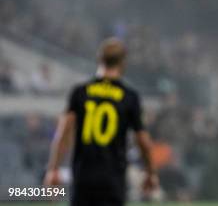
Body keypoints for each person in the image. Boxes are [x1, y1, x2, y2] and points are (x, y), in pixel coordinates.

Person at [44, 38, 158, 206]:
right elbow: (142, 140)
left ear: (99, 59)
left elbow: (63, 133)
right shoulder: (129, 97)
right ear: (122, 63)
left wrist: (53, 169)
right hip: (112, 179)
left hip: (83, 177)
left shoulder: (80, 92)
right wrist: (150, 173)